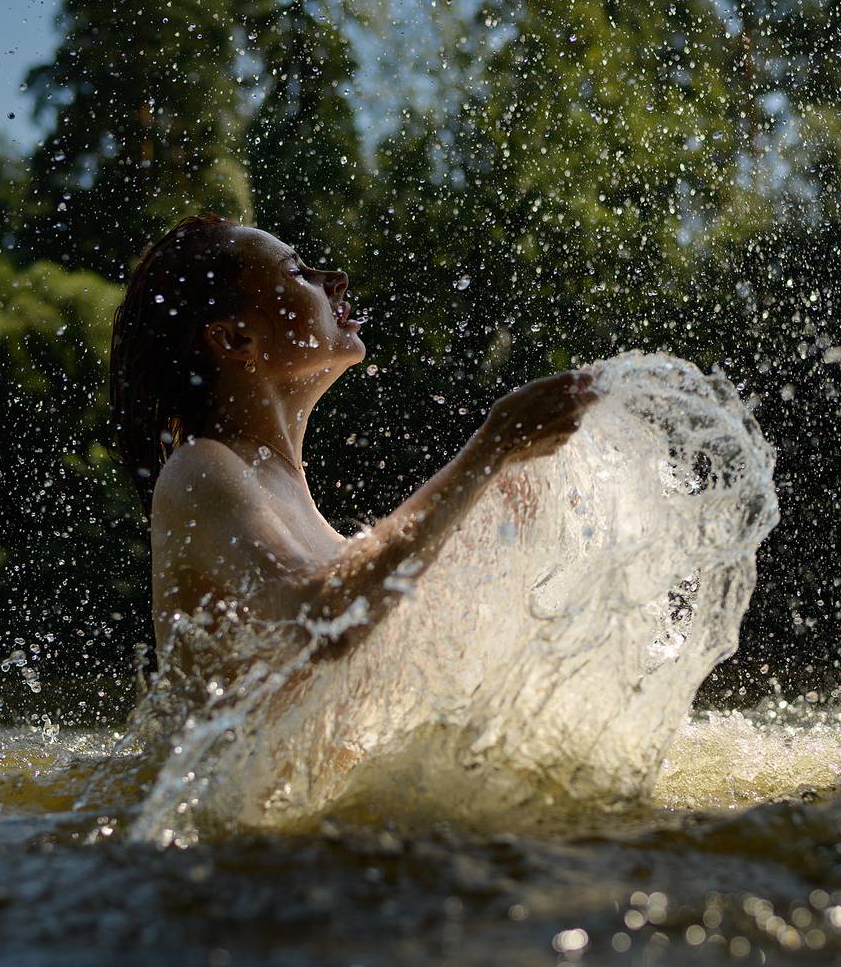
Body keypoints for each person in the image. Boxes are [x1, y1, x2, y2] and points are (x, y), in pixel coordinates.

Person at [109, 213, 595, 697]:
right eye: (297, 272)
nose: (336, 280)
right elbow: (324, 621)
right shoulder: (201, 469)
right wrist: (492, 447)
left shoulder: (303, 515)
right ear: (236, 339)